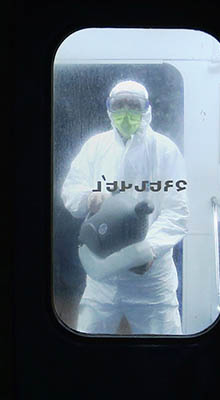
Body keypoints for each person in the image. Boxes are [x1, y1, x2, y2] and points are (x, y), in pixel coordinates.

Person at [61, 80, 189, 335]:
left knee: (164, 349)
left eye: (134, 105)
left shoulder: (165, 150)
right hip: (102, 276)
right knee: (87, 344)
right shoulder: (96, 146)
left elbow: (177, 211)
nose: (126, 111)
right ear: (109, 108)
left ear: (147, 108)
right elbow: (71, 190)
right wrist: (89, 197)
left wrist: (148, 250)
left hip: (151, 281)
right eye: (119, 105)